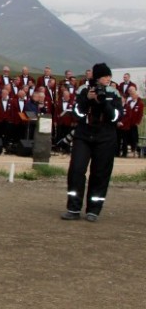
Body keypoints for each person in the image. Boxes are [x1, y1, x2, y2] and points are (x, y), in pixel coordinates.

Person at [61, 63, 124, 222]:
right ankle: (73, 208)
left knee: (100, 174)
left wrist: (103, 102)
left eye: (109, 76)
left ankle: (94, 210)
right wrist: (87, 100)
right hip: (84, 135)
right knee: (76, 170)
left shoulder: (114, 92)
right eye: (104, 76)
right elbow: (76, 113)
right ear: (97, 77)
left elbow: (116, 117)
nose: (108, 79)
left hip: (106, 137)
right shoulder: (83, 90)